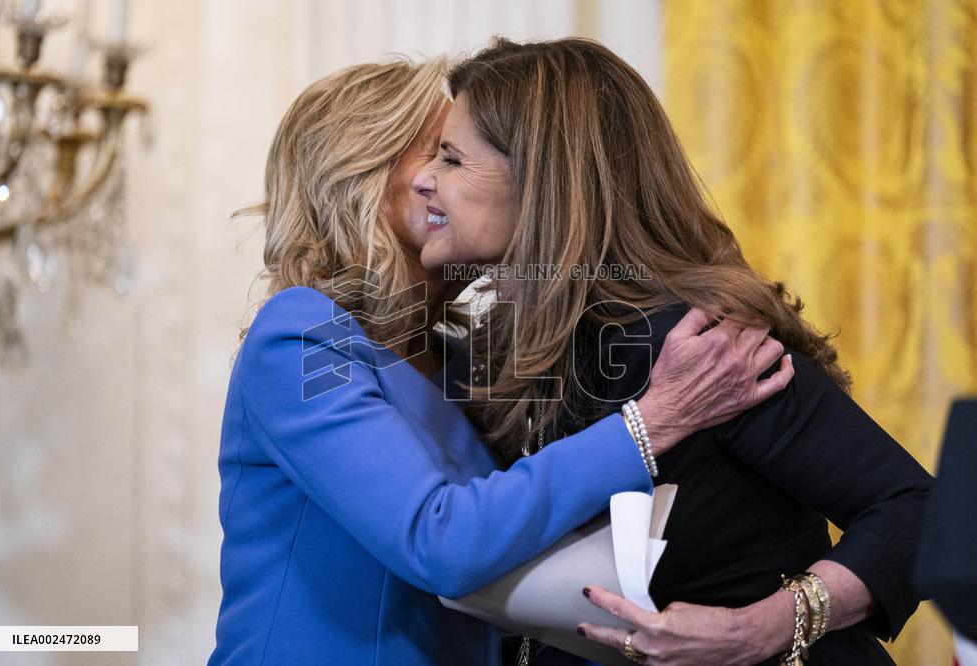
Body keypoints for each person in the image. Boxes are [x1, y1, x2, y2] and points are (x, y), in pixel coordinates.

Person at [209, 58, 792, 665]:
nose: (456, 179)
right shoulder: (302, 333)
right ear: (362, 171)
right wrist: (651, 423)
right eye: (441, 154)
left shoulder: (464, 355)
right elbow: (437, 541)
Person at [412, 37, 933, 665]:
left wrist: (765, 626)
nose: (423, 179)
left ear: (542, 178)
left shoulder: (697, 342)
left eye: (449, 158)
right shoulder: (482, 354)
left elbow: (916, 510)